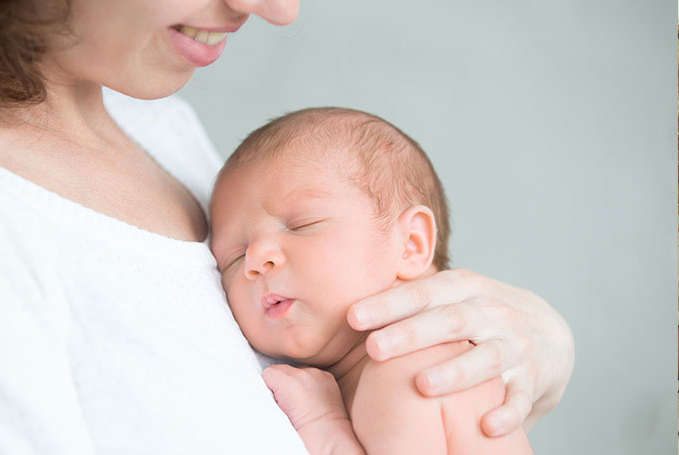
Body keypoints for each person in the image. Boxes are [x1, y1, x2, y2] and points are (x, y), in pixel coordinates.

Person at [0, 0, 574, 453]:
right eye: (232, 255)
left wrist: (541, 344)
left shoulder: (149, 117)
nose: (275, 7)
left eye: (300, 223)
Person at [210, 107, 533, 454]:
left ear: (410, 245)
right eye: (234, 256)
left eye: (301, 225)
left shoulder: (406, 368)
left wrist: (322, 424)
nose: (256, 260)